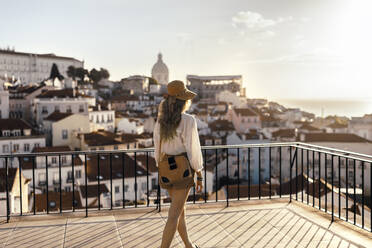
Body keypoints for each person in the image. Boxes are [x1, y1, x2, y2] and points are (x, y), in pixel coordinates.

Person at [154, 80, 204, 248]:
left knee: (179, 212)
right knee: (174, 214)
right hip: (183, 171)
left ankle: (189, 245)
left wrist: (161, 167)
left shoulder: (160, 122)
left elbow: (157, 149)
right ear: (184, 101)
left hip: (167, 169)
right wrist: (199, 173)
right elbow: (193, 149)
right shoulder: (188, 121)